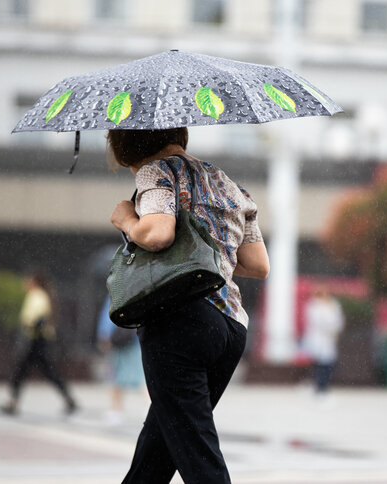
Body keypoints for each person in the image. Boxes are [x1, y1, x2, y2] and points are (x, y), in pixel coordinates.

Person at [107, 127, 269, 484]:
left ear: (127, 143)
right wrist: (211, 253)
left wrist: (127, 220)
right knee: (159, 451)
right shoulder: (228, 184)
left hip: (179, 321)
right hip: (230, 326)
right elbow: (258, 264)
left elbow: (158, 233)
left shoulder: (156, 172)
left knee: (198, 456)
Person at [0, 271, 77, 416]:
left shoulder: (38, 295)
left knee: (26, 371)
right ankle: (68, 399)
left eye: (27, 279)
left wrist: (29, 326)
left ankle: (13, 403)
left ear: (33, 281)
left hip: (35, 341)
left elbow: (38, 318)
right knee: (31, 371)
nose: (24, 282)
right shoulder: (36, 295)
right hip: (36, 341)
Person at [96, 295, 147, 426]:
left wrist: (104, 335)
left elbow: (107, 315)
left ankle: (116, 411)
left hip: (119, 341)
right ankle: (151, 407)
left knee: (116, 377)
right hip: (133, 340)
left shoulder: (116, 289)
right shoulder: (139, 288)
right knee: (142, 377)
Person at [302, 284, 345, 397]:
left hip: (328, 339)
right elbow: (322, 322)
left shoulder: (332, 304)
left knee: (327, 364)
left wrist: (335, 330)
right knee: (319, 364)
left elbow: (338, 321)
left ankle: (323, 386)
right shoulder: (314, 306)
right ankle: (318, 386)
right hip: (318, 339)